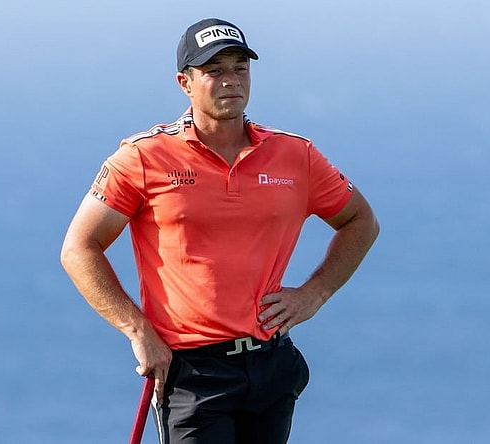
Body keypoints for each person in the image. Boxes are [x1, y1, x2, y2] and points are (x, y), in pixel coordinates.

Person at [61, 17, 379, 444]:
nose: (230, 81)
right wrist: (138, 331)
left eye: (240, 68)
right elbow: (79, 248)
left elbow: (361, 221)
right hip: (192, 374)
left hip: (271, 365)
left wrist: (313, 294)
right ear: (185, 82)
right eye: (214, 71)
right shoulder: (142, 158)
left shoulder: (294, 155)